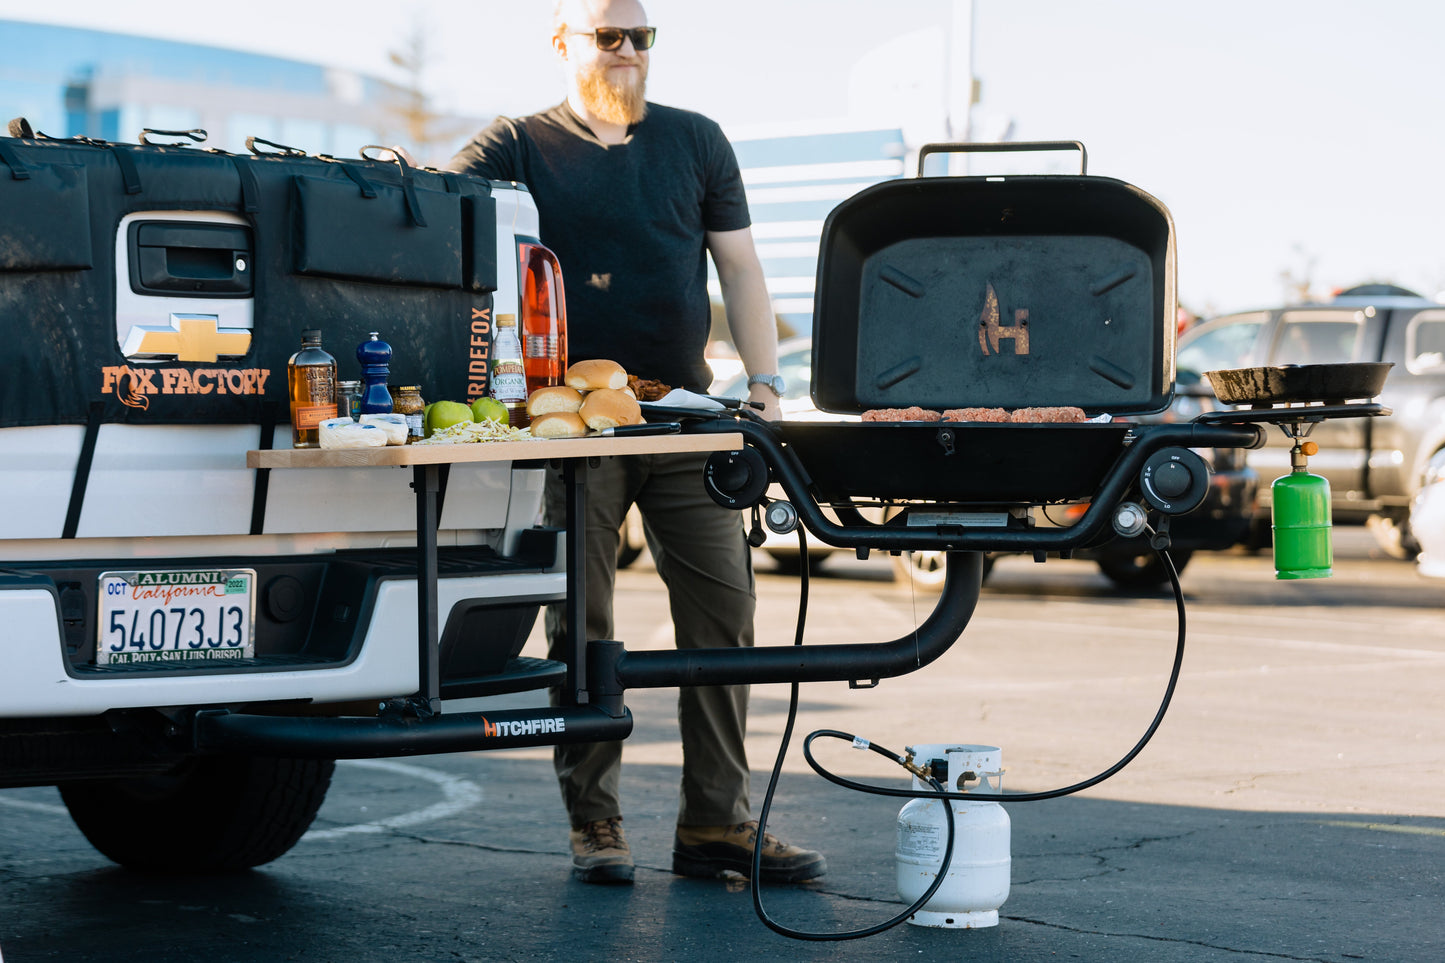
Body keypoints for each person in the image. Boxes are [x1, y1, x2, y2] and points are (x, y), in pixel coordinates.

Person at [449, 0, 825, 887]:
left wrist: (763, 387)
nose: (625, 52)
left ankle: (715, 825)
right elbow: (439, 215)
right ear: (563, 44)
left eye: (640, 37)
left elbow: (739, 265)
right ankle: (596, 823)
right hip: (566, 420)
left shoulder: (696, 141)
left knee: (725, 615)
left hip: (684, 415)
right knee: (580, 622)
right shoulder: (513, 144)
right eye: (607, 36)